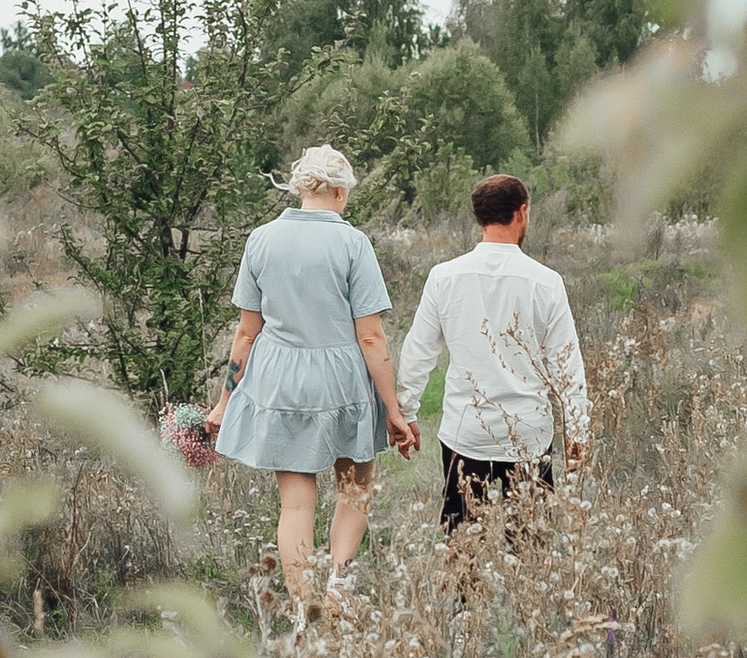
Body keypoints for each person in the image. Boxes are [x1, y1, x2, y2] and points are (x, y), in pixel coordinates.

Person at [214, 145, 420, 617]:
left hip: (280, 381)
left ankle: (305, 612)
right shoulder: (353, 243)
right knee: (354, 491)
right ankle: (338, 592)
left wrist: (224, 402)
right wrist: (394, 410)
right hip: (342, 383)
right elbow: (370, 337)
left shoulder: (261, 239)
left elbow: (248, 331)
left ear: (301, 188)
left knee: (295, 507)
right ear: (341, 191)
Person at [397, 173, 588, 533]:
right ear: (522, 212)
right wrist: (578, 430)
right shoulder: (545, 282)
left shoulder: (444, 277)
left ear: (480, 217)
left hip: (466, 431)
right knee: (532, 544)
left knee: (464, 539)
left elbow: (418, 352)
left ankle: (469, 592)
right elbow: (567, 365)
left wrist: (406, 413)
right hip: (529, 434)